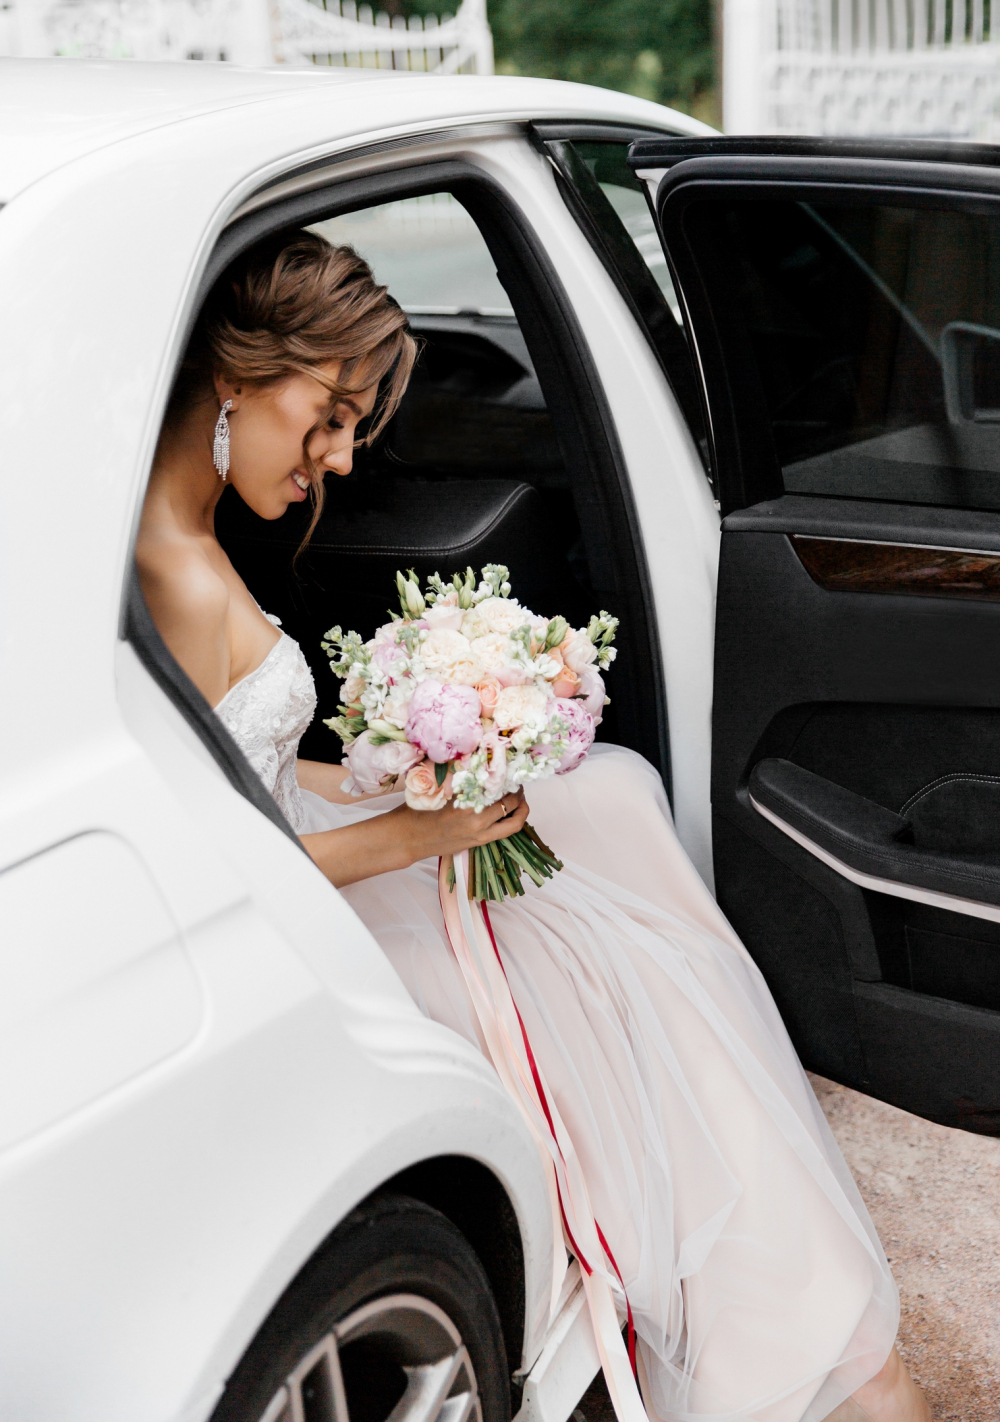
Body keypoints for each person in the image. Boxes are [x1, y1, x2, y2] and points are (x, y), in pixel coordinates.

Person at [137, 231, 931, 1422]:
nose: (340, 458)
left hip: (314, 852)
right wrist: (419, 834)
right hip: (292, 919)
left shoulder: (171, 537)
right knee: (624, 987)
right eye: (330, 414)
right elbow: (210, 861)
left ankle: (792, 1310)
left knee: (604, 799)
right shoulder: (179, 576)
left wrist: (407, 765)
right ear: (239, 372)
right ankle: (809, 1340)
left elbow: (228, 774)